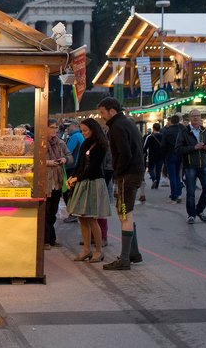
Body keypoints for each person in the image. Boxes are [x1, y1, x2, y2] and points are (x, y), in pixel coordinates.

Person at [98, 97, 144, 271]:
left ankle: (125, 258)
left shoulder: (117, 127)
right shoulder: (128, 123)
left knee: (125, 213)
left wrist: (118, 172)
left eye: (103, 112)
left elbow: (125, 152)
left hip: (128, 175)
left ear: (112, 111)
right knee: (127, 212)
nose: (101, 116)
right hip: (135, 172)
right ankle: (133, 252)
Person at [66, 118, 110, 263]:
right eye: (82, 130)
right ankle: (87, 250)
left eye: (85, 130)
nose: (83, 133)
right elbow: (79, 164)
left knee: (91, 217)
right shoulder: (85, 143)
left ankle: (99, 250)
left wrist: (76, 179)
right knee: (82, 217)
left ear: (93, 129)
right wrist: (72, 176)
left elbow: (93, 168)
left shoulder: (100, 145)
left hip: (93, 182)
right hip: (82, 181)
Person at [176, 109, 206, 224]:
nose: (196, 118)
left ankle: (200, 210)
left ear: (201, 117)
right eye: (193, 116)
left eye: (198, 116)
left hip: (203, 164)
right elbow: (178, 149)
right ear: (189, 118)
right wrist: (194, 147)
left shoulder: (205, 131)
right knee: (190, 192)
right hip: (190, 165)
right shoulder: (184, 132)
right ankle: (191, 214)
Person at [44, 119, 72, 249]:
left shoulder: (60, 143)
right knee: (45, 212)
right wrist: (47, 162)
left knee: (53, 212)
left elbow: (70, 157)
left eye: (56, 128)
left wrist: (65, 159)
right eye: (51, 127)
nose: (54, 130)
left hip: (57, 182)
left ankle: (52, 238)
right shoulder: (40, 143)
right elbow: (32, 160)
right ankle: (45, 240)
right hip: (45, 182)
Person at [162, 114, 187, 204]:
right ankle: (179, 193)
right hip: (179, 154)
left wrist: (164, 155)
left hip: (170, 155)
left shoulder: (167, 132)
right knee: (177, 175)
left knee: (172, 175)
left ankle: (174, 196)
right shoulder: (182, 131)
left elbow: (163, 145)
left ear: (171, 121)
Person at [144, 123, 165, 190]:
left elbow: (146, 147)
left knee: (150, 169)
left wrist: (143, 153)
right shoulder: (163, 136)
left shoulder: (151, 137)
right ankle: (157, 185)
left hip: (152, 155)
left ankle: (154, 179)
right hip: (161, 155)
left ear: (153, 128)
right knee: (158, 170)